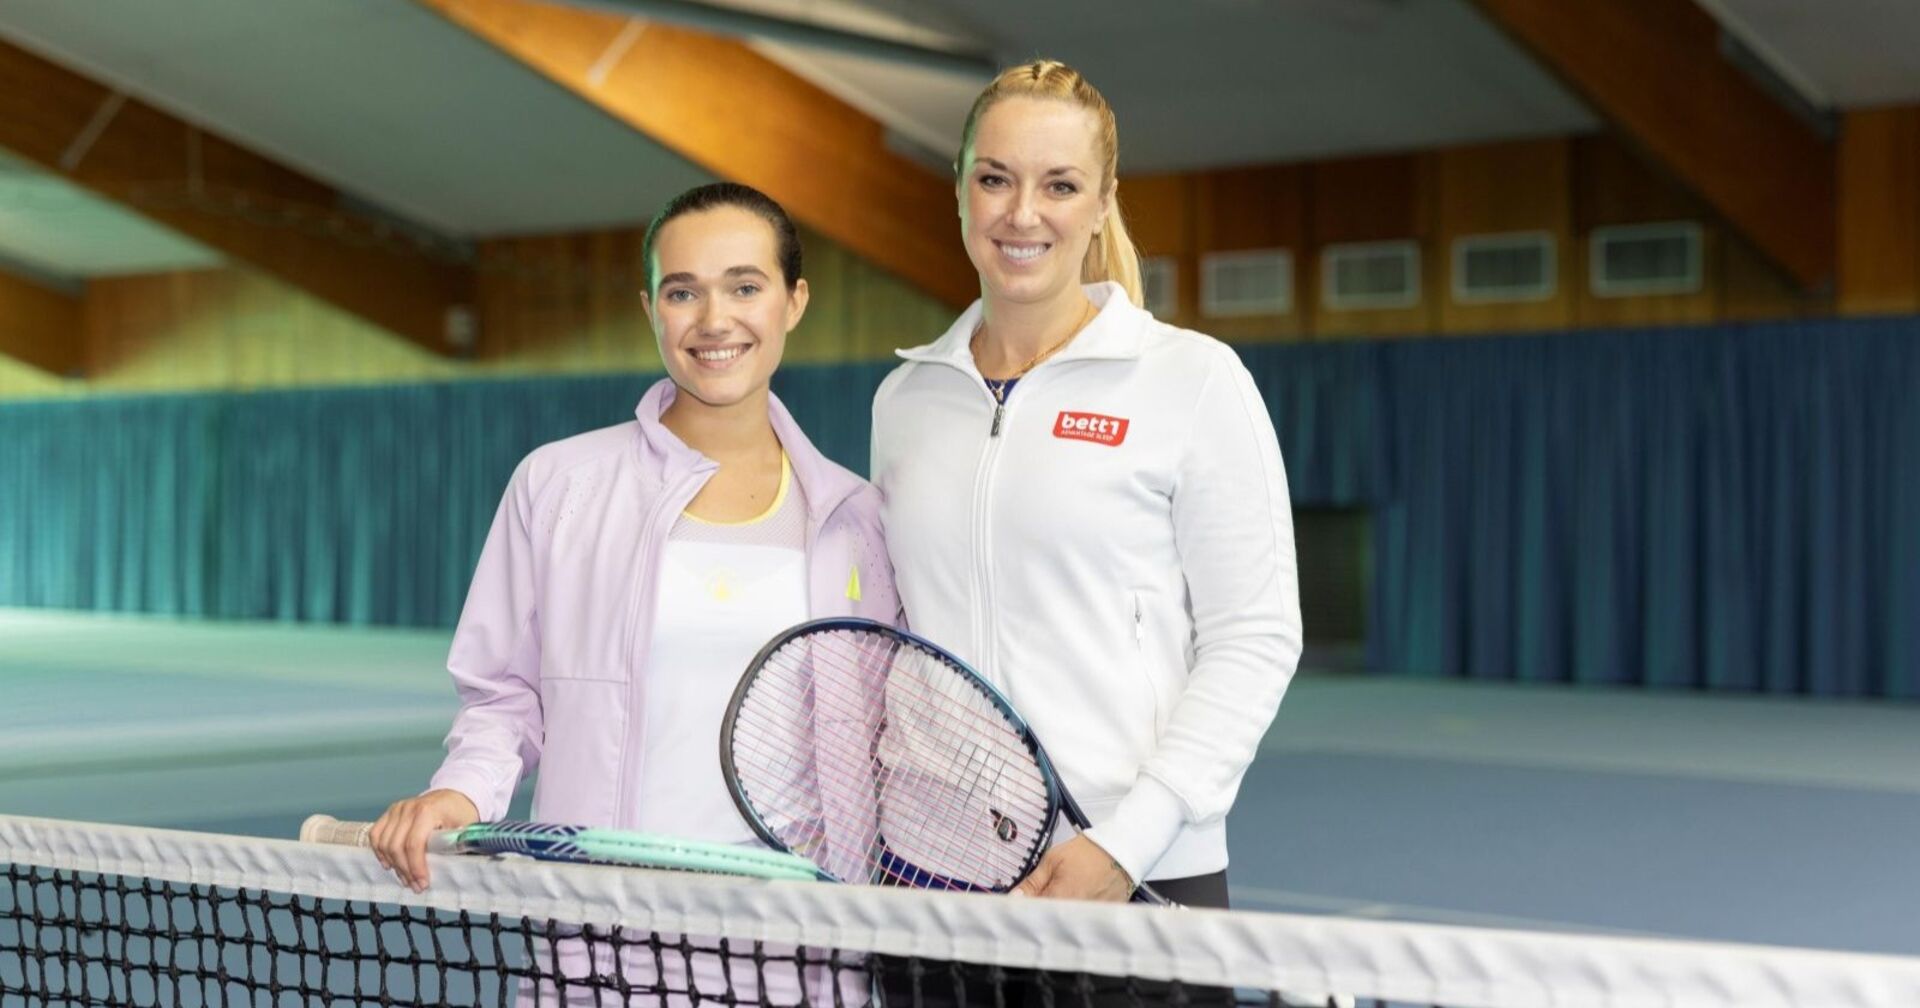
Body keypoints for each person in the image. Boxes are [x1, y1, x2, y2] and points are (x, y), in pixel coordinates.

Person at [368, 181, 897, 1002]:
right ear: (651, 308)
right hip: (604, 947)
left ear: (794, 302)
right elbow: (503, 693)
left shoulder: (857, 518)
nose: (714, 320)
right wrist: (462, 789)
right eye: (684, 292)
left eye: (745, 287)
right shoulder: (558, 483)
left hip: (800, 952)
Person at [871, 59, 1302, 916]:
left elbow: (1254, 638)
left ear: (1103, 203)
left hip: (1135, 871)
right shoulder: (904, 400)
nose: (1022, 213)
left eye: (1060, 185)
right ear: (959, 190)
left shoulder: (1194, 379)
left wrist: (1125, 842)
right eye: (995, 179)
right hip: (931, 876)